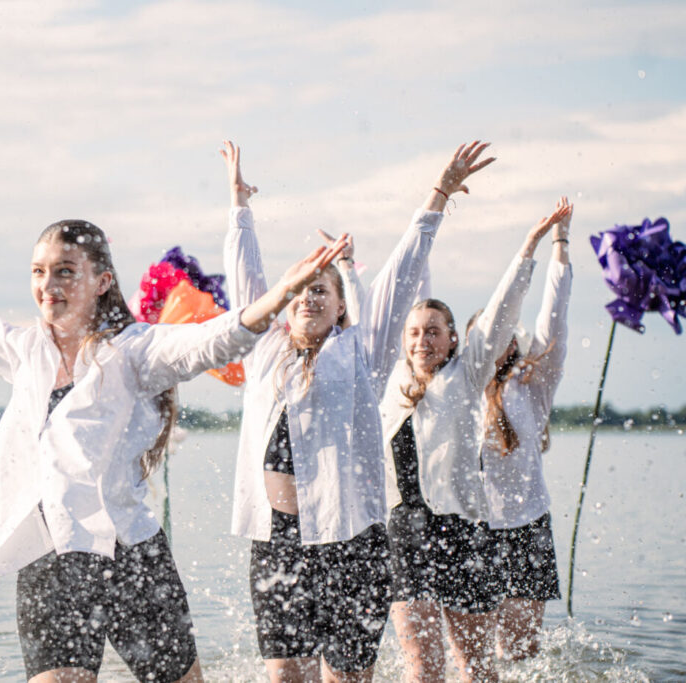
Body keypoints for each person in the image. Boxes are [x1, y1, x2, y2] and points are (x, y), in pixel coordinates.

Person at [0, 219, 348, 683]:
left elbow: (213, 340)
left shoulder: (134, 351)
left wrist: (281, 294)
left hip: (131, 557)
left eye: (66, 271)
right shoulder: (23, 350)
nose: (49, 285)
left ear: (103, 281)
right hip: (48, 559)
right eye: (39, 272)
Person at [221, 140, 494, 683]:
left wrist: (438, 196)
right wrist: (239, 207)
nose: (308, 297)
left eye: (320, 289)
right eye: (299, 290)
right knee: (284, 675)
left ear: (341, 302)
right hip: (277, 542)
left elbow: (402, 271)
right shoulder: (262, 348)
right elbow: (244, 279)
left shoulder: (362, 351)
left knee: (346, 678)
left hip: (352, 542)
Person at [379, 200, 573, 683]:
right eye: (414, 333)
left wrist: (536, 247)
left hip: (480, 530)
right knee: (423, 668)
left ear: (454, 342)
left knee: (492, 663)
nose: (422, 340)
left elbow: (515, 313)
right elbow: (401, 294)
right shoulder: (395, 383)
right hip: (410, 532)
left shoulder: (482, 380)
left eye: (434, 332)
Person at [478, 197, 573, 661]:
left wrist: (559, 244)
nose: (501, 337)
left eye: (507, 333)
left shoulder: (532, 384)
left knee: (520, 652)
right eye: (489, 332)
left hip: (527, 526)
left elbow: (554, 320)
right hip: (471, 529)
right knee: (473, 656)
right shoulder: (460, 387)